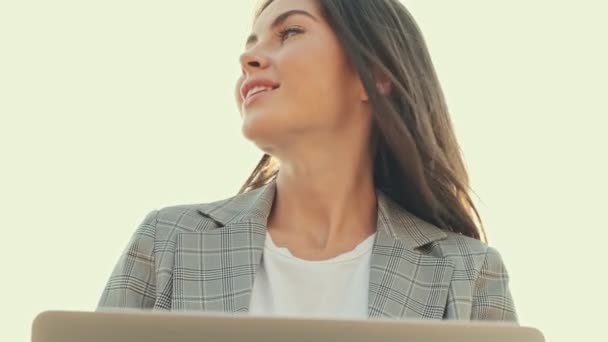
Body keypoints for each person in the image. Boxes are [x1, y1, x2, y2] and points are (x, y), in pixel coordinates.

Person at [97, 0, 517, 322]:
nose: (250, 59)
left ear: (376, 73)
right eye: (252, 43)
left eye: (290, 32)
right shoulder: (167, 242)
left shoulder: (469, 272)